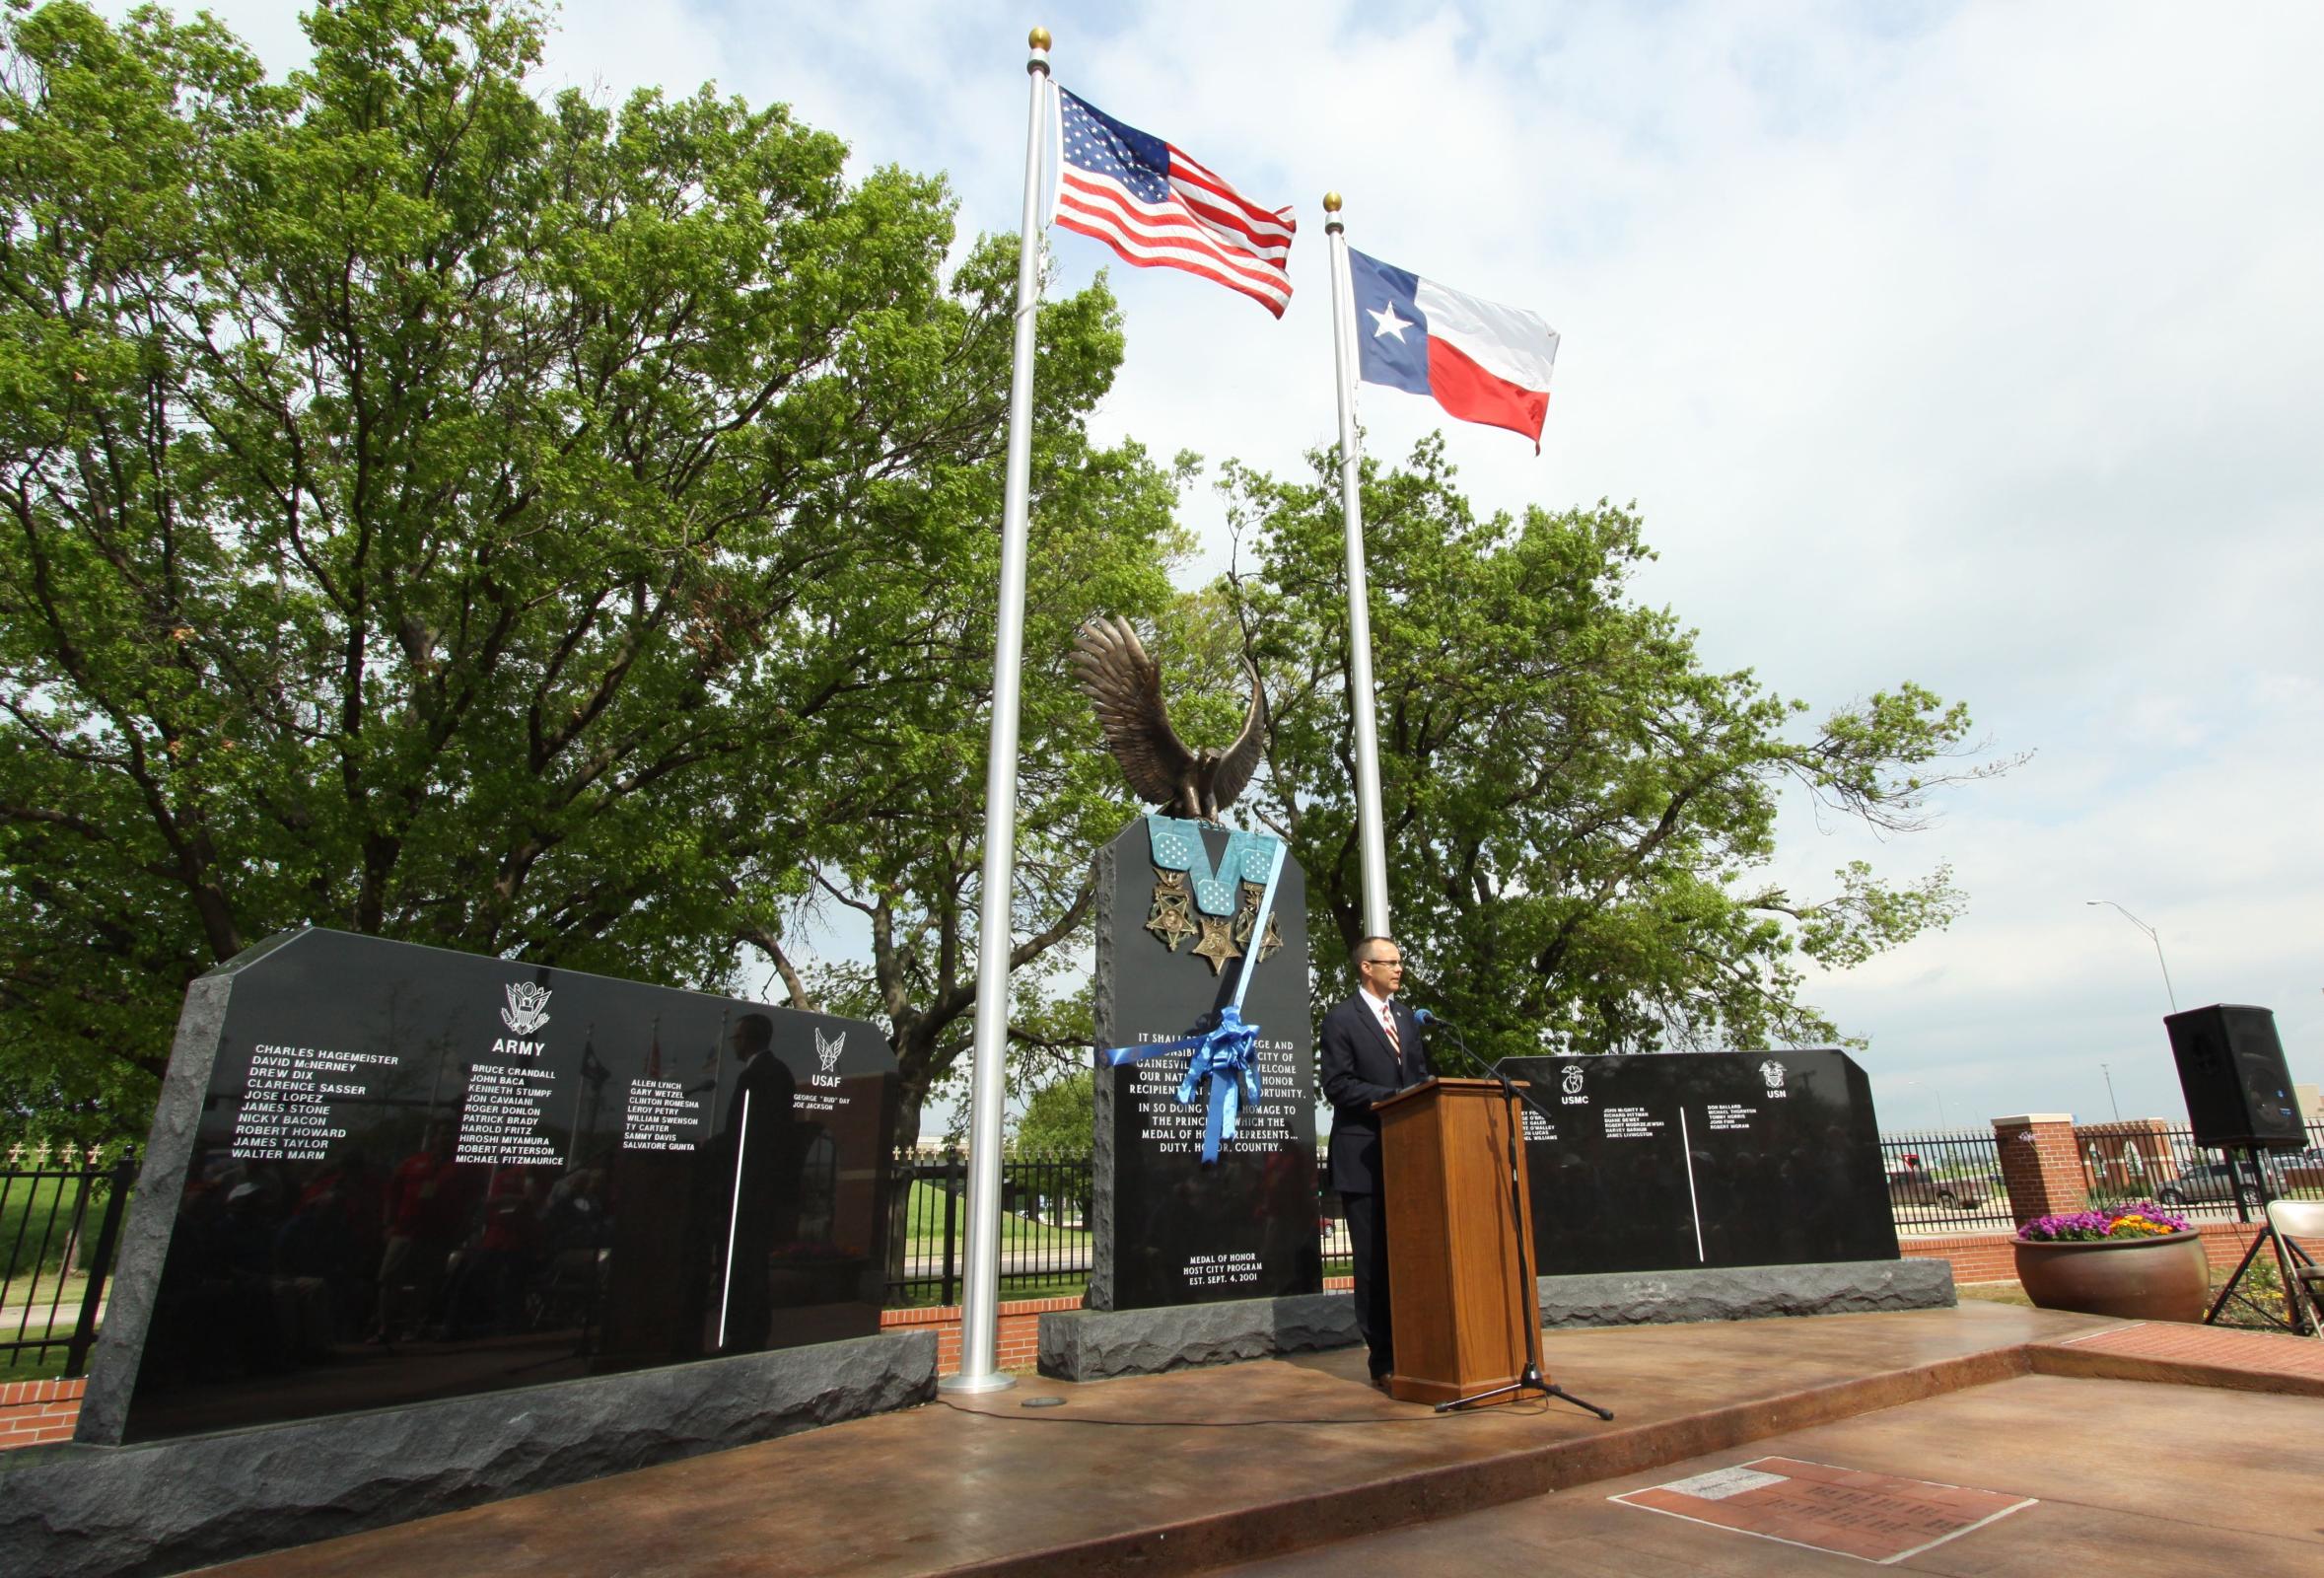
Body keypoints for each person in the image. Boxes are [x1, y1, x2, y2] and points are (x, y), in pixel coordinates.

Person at [1319, 935, 1430, 1387]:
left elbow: (1420, 1079)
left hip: (1409, 1157)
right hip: (1363, 1158)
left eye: (1401, 961)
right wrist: (1393, 1097)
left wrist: (1420, 1095)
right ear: (1367, 968)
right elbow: (1338, 1085)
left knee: (1411, 1257)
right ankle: (1382, 1361)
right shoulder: (1341, 1019)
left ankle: (1421, 1349)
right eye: (1391, 962)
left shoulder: (1407, 1018)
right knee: (1373, 1263)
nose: (1399, 969)